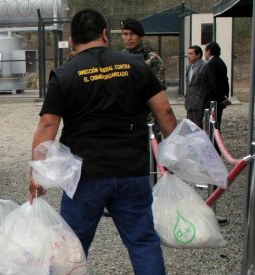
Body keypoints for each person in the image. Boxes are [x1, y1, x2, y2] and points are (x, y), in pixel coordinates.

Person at [28, 9, 177, 274]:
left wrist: (36, 175)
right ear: (105, 35)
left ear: (72, 41)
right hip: (132, 170)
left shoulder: (64, 75)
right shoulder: (136, 66)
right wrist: (173, 155)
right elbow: (164, 110)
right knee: (142, 242)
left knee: (72, 246)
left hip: (85, 175)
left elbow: (48, 124)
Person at [201, 42, 230, 130]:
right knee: (215, 124)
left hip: (212, 100)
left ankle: (213, 143)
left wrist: (222, 98)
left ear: (209, 51)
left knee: (212, 126)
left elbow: (214, 83)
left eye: (205, 51)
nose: (204, 54)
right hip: (216, 99)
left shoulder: (212, 64)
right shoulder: (220, 62)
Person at [184, 45, 207, 127]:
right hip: (190, 102)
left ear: (198, 55)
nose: (188, 56)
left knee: (199, 126)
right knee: (191, 126)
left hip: (200, 101)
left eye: (191, 54)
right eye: (188, 53)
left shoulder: (205, 65)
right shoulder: (188, 67)